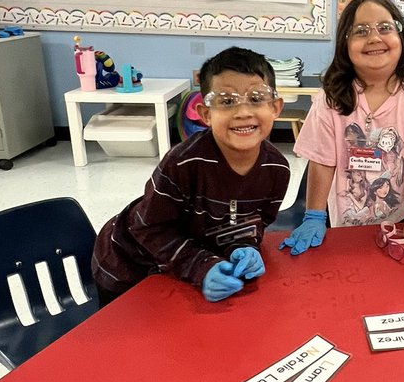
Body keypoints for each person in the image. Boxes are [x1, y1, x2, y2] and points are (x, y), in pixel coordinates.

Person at [92, 47, 290, 304]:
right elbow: (148, 227)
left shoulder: (277, 170)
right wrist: (200, 265)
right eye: (227, 101)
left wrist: (245, 246)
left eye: (256, 98)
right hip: (129, 266)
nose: (243, 112)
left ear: (275, 108)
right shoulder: (183, 162)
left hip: (181, 265)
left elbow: (251, 223)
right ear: (206, 114)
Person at [281, 0, 404, 253]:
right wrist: (314, 215)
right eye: (361, 31)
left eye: (385, 28)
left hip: (400, 219)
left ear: (401, 36)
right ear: (345, 44)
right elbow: (322, 161)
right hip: (342, 223)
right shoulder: (332, 97)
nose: (374, 37)